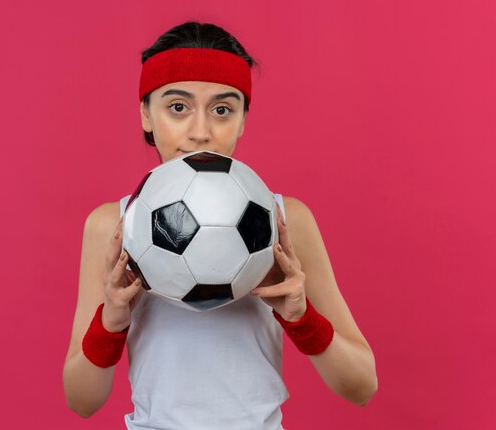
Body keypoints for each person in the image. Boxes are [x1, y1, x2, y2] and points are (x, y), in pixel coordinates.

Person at [62, 21, 378, 429]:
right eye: (178, 107)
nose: (200, 132)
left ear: (244, 119)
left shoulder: (284, 220)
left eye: (222, 109)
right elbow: (81, 400)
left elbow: (362, 385)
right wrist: (110, 324)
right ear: (145, 114)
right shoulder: (113, 225)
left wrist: (302, 319)